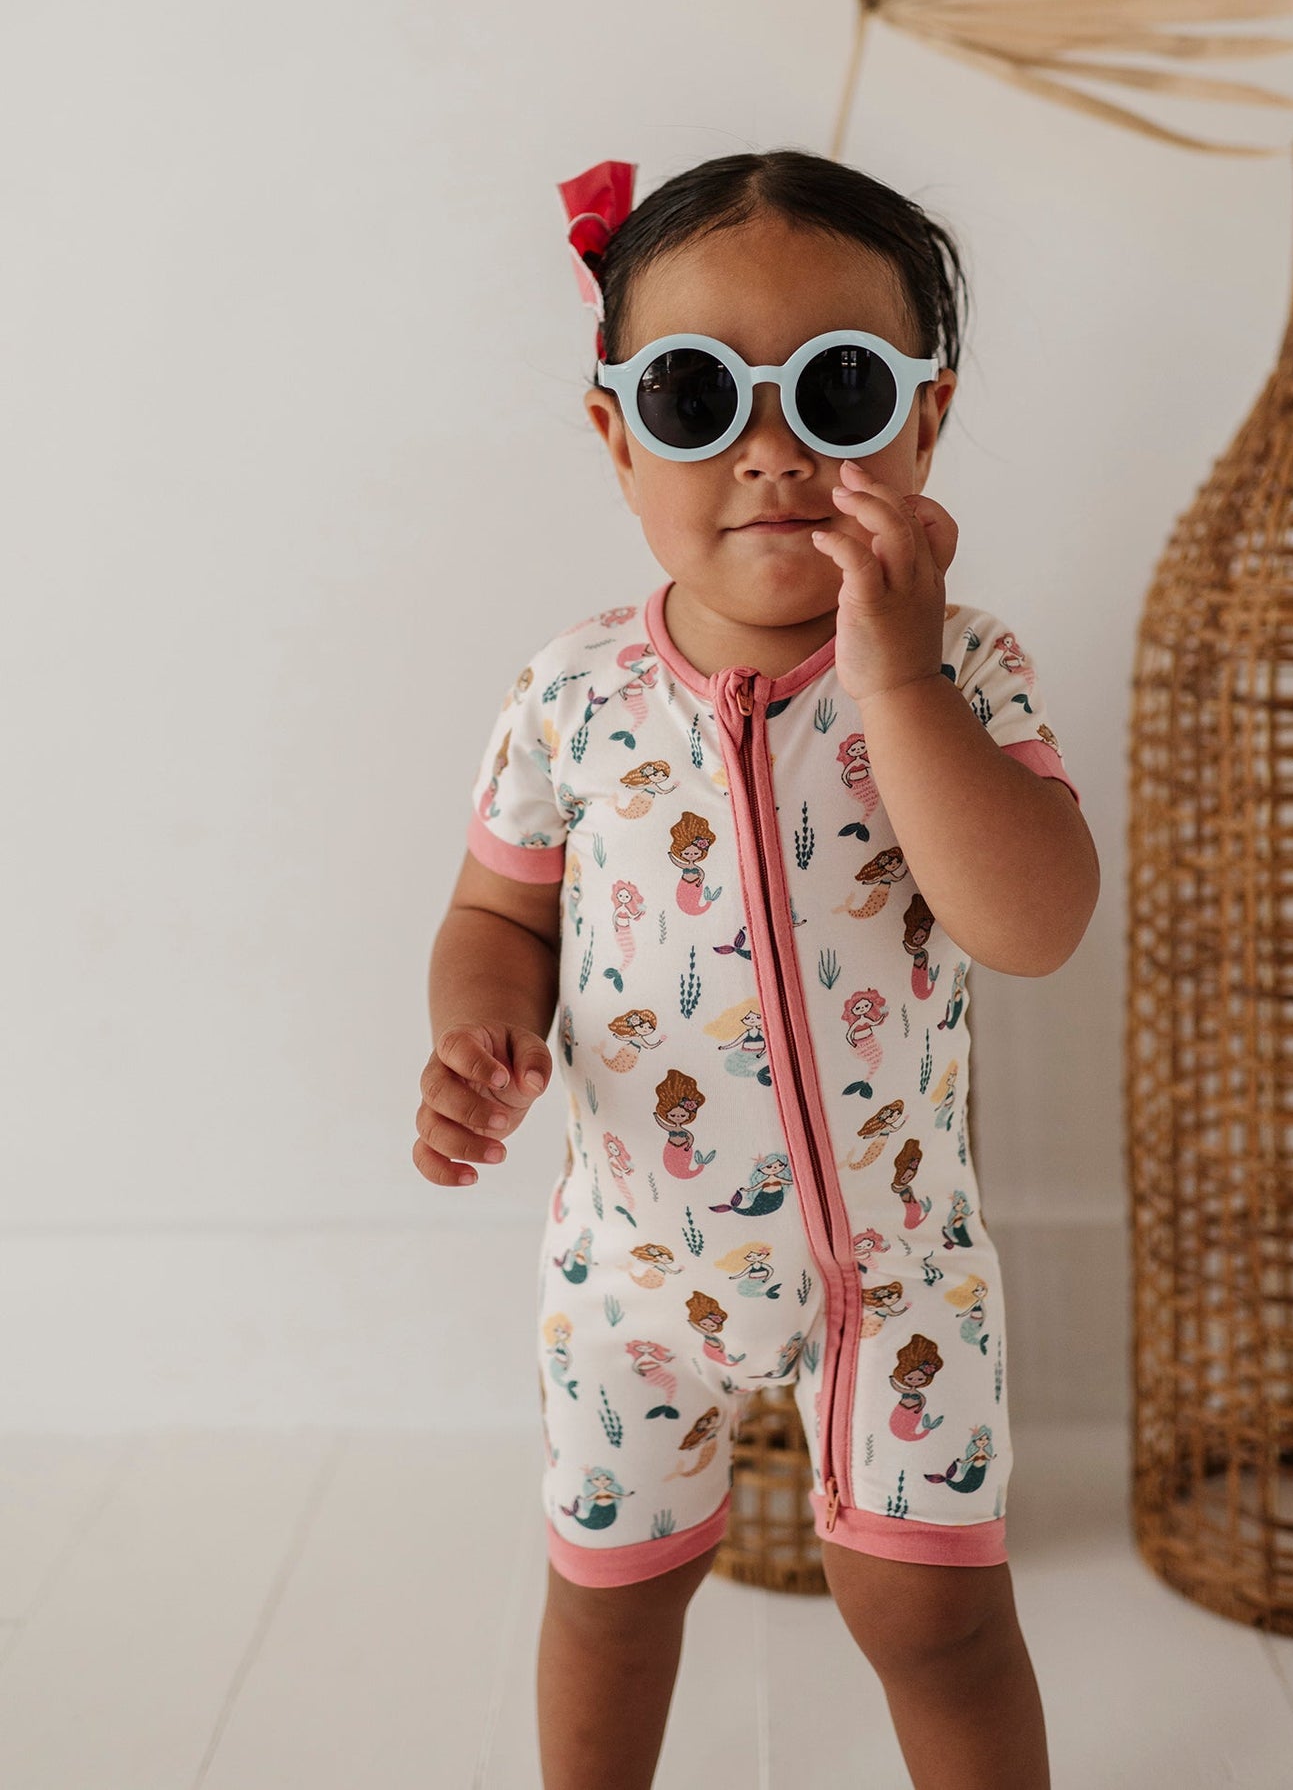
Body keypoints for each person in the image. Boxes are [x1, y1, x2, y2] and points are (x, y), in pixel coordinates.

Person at [416, 149, 1099, 1790]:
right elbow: (496, 918)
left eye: (841, 392)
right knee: (613, 1605)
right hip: (630, 1275)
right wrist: (479, 1032)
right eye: (699, 395)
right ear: (618, 435)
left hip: (899, 1274)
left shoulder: (967, 673)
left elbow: (1034, 924)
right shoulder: (572, 697)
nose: (776, 452)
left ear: (924, 426)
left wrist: (900, 682)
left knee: (936, 1624)